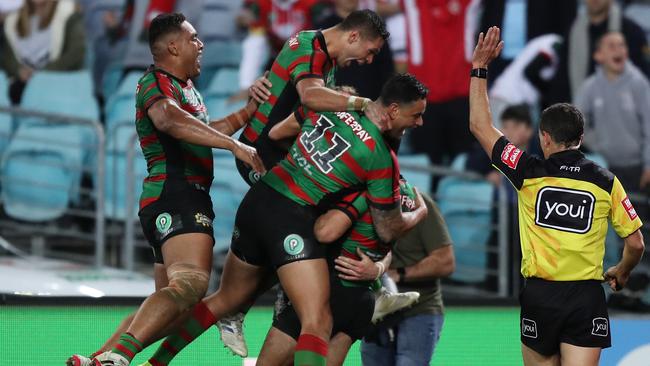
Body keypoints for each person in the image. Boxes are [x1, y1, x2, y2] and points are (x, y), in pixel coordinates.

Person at [136, 73, 429, 366]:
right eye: (416, 115)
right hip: (297, 225)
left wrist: (305, 163)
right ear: (392, 111)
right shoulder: (381, 163)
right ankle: (377, 295)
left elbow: (275, 133)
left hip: (258, 201)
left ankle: (155, 361)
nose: (420, 123)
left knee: (227, 297)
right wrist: (417, 215)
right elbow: (375, 231)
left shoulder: (327, 108)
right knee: (317, 320)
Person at [68, 13, 265, 366]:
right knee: (190, 286)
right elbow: (169, 120)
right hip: (178, 194)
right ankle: (123, 357)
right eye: (193, 38)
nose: (200, 44)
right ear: (173, 46)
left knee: (170, 305)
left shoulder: (185, 88)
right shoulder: (155, 82)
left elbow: (204, 130)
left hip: (169, 198)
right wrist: (234, 147)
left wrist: (249, 110)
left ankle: (99, 359)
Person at [470, 26, 645, 365]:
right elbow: (636, 243)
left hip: (541, 296)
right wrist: (622, 272)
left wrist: (480, 68)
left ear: (545, 138)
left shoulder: (527, 171)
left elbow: (480, 125)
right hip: (586, 298)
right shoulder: (606, 181)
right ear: (581, 136)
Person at [254, 177, 423, 366]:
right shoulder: (405, 192)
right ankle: (381, 296)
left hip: (330, 289)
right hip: (361, 300)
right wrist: (378, 269)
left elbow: (325, 232)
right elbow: (388, 244)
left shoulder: (363, 187)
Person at [236, 9, 390, 185]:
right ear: (353, 36)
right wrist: (364, 104)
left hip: (284, 151)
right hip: (258, 152)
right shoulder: (308, 48)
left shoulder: (327, 56)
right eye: (371, 51)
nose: (369, 60)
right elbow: (310, 96)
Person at [360, 186, 455, 366]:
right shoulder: (361, 202)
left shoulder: (418, 203)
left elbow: (445, 261)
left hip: (420, 307)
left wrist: (399, 274)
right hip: (375, 310)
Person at [575, 31, 650, 198]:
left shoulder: (639, 84)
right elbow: (577, 121)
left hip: (637, 168)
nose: (619, 50)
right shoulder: (590, 87)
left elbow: (649, 125)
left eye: (622, 45)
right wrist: (599, 143)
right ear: (598, 55)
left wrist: (648, 164)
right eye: (611, 46)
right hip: (605, 167)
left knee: (637, 221)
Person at [0, 0, 85, 104]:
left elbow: (75, 54)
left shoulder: (69, 12)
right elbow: (5, 55)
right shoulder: (11, 16)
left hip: (57, 87)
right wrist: (18, 71)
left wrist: (42, 74)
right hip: (19, 88)